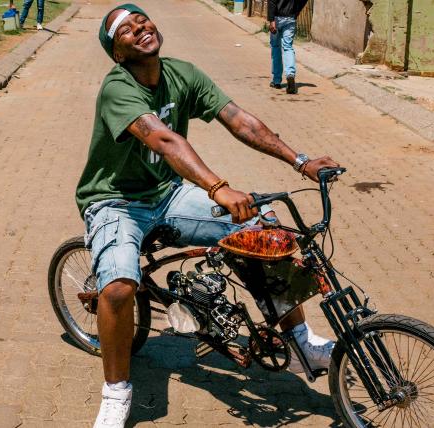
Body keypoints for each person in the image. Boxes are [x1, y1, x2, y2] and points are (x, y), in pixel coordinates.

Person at [75, 4, 339, 427]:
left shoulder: (183, 74)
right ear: (118, 53)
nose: (139, 28)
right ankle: (116, 391)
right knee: (121, 288)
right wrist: (218, 187)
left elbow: (239, 121)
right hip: (115, 201)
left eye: (141, 20)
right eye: (125, 30)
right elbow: (164, 140)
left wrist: (299, 160)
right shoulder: (117, 88)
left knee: (265, 229)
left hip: (168, 194)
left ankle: (300, 342)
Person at [267, 0, 308, 94]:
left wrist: (271, 20)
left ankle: (276, 81)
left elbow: (272, 1)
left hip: (277, 18)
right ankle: (290, 75)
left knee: (276, 47)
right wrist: (296, 12)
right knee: (288, 47)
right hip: (290, 18)